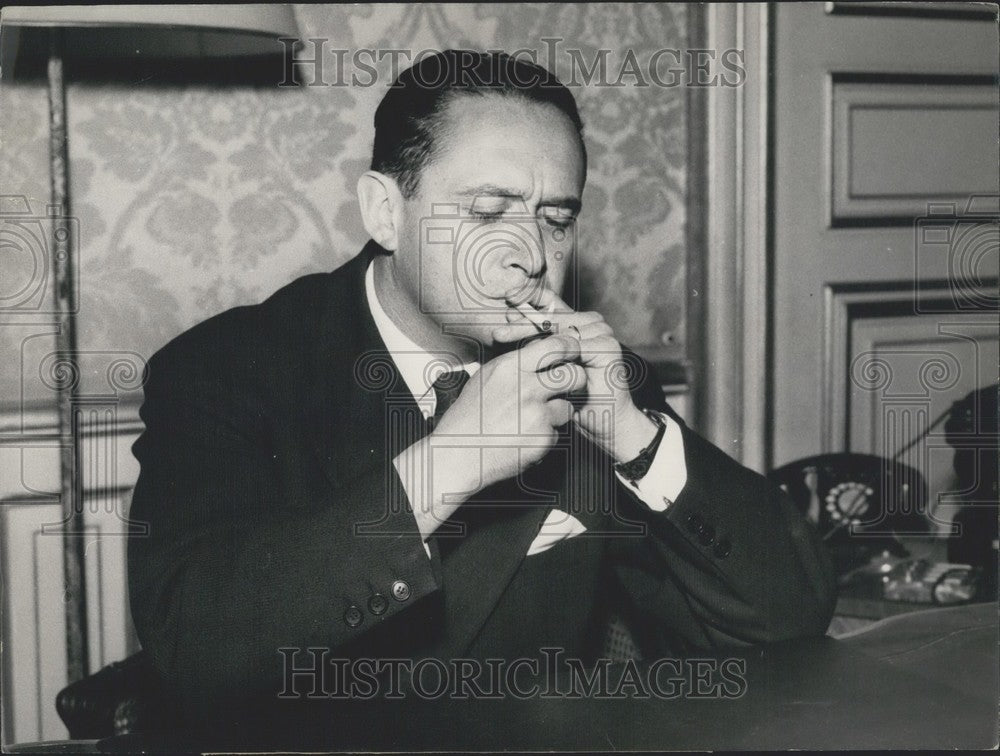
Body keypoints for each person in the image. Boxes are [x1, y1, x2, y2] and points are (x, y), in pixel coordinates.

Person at [127, 50, 836, 729]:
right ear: (384, 212)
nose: (531, 253)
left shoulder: (588, 374)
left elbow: (788, 616)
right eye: (487, 213)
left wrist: (636, 441)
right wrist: (450, 461)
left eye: (556, 219)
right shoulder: (228, 368)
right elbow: (196, 653)